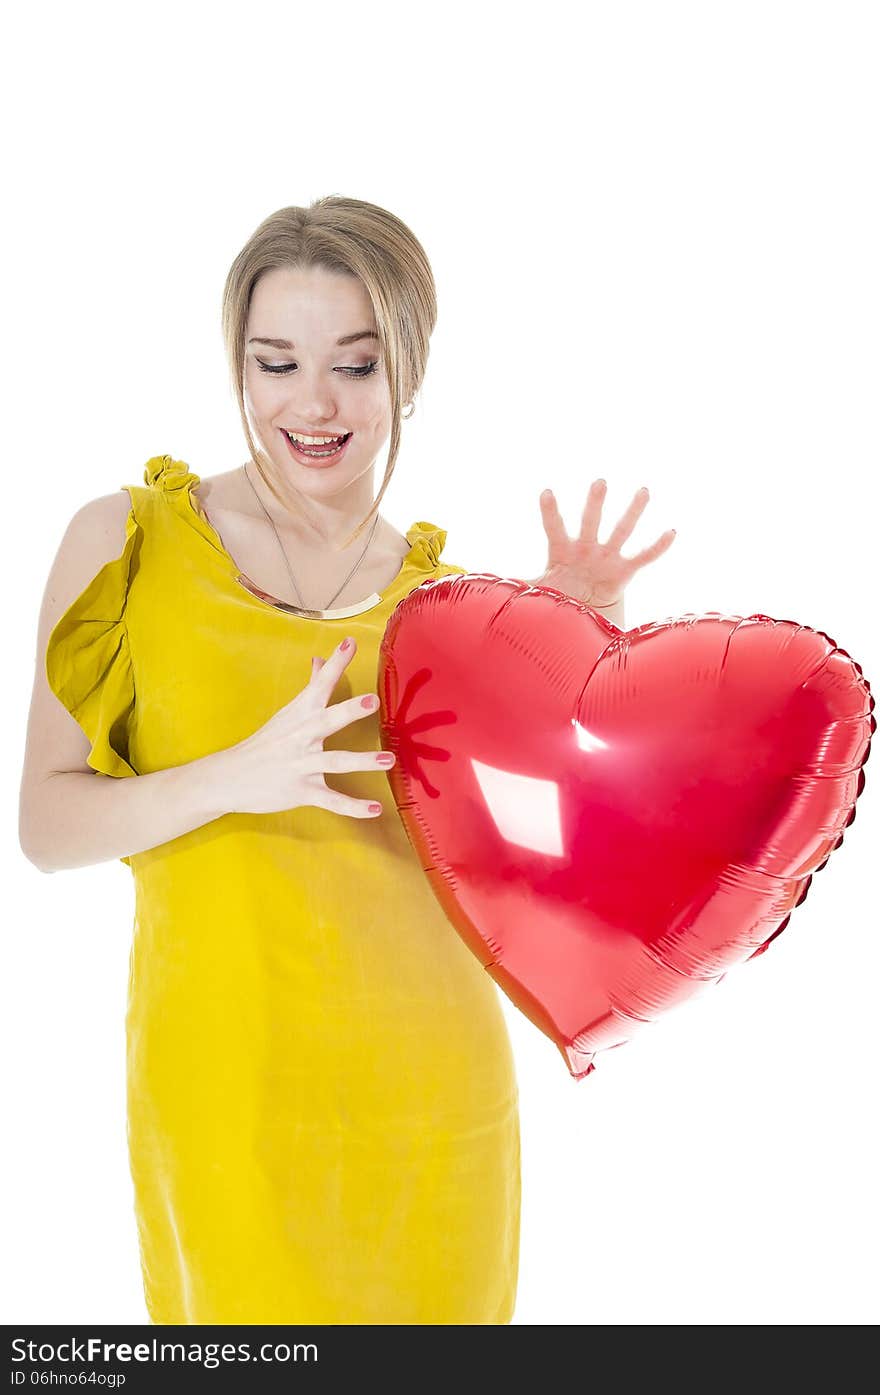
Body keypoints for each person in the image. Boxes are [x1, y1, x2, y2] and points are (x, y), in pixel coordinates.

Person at [19, 197, 522, 1324]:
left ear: (406, 372)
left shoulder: (448, 604)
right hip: (223, 1082)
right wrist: (235, 775)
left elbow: (531, 861)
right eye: (276, 361)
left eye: (354, 363)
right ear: (236, 365)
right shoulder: (129, 543)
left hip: (433, 1092)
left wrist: (580, 654)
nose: (313, 403)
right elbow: (46, 829)